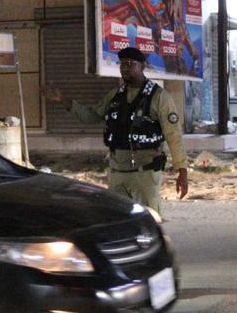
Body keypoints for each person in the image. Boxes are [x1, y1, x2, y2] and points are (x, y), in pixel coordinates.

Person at [42, 46, 189, 216]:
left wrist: (182, 171)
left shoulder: (159, 97)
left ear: (142, 66)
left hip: (145, 173)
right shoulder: (115, 96)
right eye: (122, 64)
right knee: (118, 219)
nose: (125, 68)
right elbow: (91, 116)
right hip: (117, 172)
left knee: (148, 218)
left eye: (130, 64)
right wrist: (63, 100)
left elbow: (174, 136)